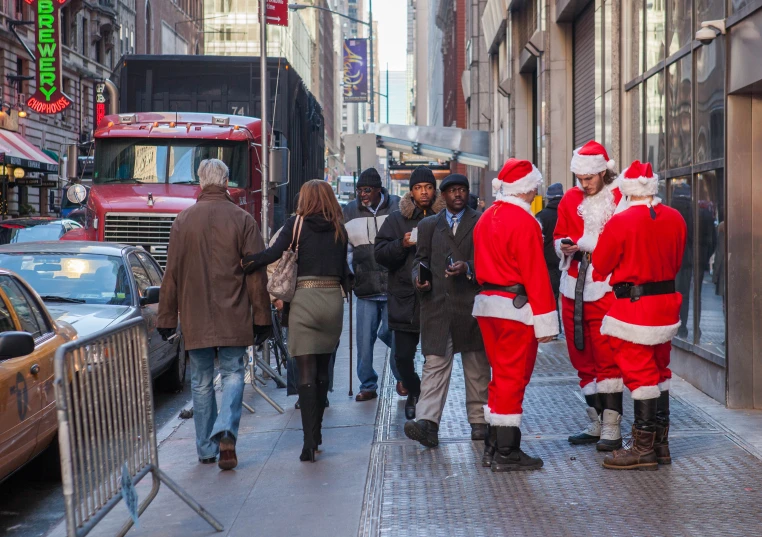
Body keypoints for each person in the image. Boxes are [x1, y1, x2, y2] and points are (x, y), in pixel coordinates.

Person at [158, 158, 271, 471]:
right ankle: (226, 430)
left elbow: (172, 273)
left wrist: (166, 317)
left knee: (202, 382)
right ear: (226, 182)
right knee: (234, 372)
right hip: (233, 312)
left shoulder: (182, 220)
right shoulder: (243, 219)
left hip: (195, 314)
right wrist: (262, 317)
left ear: (199, 181)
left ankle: (207, 448)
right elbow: (255, 274)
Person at [243, 180, 350, 463]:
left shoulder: (296, 224)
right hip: (332, 301)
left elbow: (273, 254)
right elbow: (346, 271)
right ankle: (318, 433)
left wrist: (247, 262)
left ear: (305, 198)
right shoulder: (340, 227)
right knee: (323, 368)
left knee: (305, 371)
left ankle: (308, 443)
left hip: (304, 299)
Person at [592, 161, 687, 471]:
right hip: (667, 307)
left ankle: (643, 449)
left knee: (640, 374)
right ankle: (661, 445)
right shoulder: (675, 218)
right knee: (660, 370)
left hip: (633, 309)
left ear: (626, 191)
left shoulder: (621, 222)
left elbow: (601, 265)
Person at [472, 159, 559, 472]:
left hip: (487, 304)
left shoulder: (485, 218)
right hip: (516, 307)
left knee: (500, 375)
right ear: (528, 188)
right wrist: (547, 320)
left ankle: (493, 446)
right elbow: (535, 273)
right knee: (513, 377)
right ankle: (507, 451)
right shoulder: (525, 222)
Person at [404, 174, 491, 447]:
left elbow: (488, 260)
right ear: (444, 195)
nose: (457, 194)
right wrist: (420, 278)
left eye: (462, 190)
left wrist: (469, 267)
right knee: (434, 366)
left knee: (476, 367)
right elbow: (419, 260)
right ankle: (427, 424)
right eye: (452, 190)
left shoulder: (480, 222)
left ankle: (480, 422)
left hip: (471, 307)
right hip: (437, 307)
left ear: (467, 193)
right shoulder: (429, 225)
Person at [554, 141, 625, 451]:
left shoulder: (620, 196)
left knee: (608, 356)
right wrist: (563, 246)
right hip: (573, 287)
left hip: (607, 285)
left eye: (589, 179)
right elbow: (558, 235)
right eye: (580, 179)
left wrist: (588, 244)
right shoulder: (569, 199)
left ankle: (612, 426)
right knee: (580, 355)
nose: (583, 184)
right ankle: (595, 422)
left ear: (602, 171)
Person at [375, 166, 446, 420]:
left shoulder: (445, 216)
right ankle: (413, 389)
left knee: (433, 359)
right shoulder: (396, 219)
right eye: (418, 188)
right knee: (402, 357)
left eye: (428, 187)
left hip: (435, 300)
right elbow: (380, 254)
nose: (424, 192)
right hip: (404, 299)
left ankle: (424, 404)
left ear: (434, 189)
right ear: (411, 191)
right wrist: (401, 244)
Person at [343, 168, 402, 401]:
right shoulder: (348, 211)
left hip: (393, 285)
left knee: (391, 333)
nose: (362, 194)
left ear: (379, 190)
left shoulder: (397, 206)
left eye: (366, 190)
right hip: (365, 286)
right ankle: (367, 384)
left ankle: (402, 375)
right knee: (364, 341)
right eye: (359, 190)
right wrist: (350, 274)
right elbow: (345, 248)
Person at [535, 182, 564, 328]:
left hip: (548, 264)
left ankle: (554, 327)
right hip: (568, 263)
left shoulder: (541, 216)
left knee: (551, 297)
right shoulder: (568, 213)